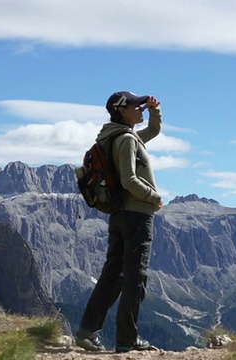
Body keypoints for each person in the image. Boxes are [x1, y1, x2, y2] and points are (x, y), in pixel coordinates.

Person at [75, 91, 164, 353]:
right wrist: (154, 197)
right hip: (137, 215)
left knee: (113, 275)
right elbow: (129, 180)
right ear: (121, 111)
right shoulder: (126, 140)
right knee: (135, 277)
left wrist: (155, 109)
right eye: (136, 107)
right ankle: (127, 340)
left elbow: (154, 131)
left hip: (120, 216)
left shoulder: (118, 136)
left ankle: (86, 332)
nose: (141, 110)